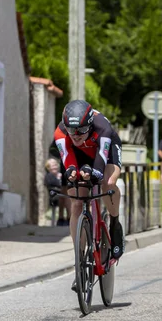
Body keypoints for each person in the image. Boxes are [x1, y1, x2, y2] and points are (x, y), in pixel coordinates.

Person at [54, 99, 125, 278]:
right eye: (72, 131)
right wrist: (72, 172)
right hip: (79, 156)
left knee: (107, 183)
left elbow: (101, 160)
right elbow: (68, 160)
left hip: (104, 152)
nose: (76, 135)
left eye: (82, 130)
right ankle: (79, 260)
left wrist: (93, 173)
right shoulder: (61, 133)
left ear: (90, 125)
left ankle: (115, 224)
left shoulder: (103, 128)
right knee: (77, 203)